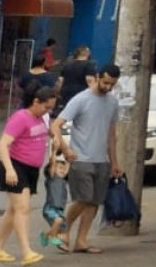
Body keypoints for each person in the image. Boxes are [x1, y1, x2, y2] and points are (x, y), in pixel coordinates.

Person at [52, 62, 122, 255]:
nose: (108, 87)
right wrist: (66, 150)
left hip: (102, 160)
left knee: (94, 202)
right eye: (106, 82)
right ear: (98, 76)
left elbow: (111, 135)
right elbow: (56, 125)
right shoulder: (81, 99)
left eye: (112, 84)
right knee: (83, 198)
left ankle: (82, 240)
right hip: (80, 158)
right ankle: (63, 230)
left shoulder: (113, 102)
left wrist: (114, 162)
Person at [0, 87, 58, 267]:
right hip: (14, 167)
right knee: (23, 208)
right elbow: (3, 144)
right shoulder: (20, 117)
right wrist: (10, 170)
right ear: (35, 102)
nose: (48, 111)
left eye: (51, 108)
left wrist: (58, 150)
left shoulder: (41, 118)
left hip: (30, 170)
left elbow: (52, 134)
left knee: (13, 210)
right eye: (46, 107)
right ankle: (26, 251)